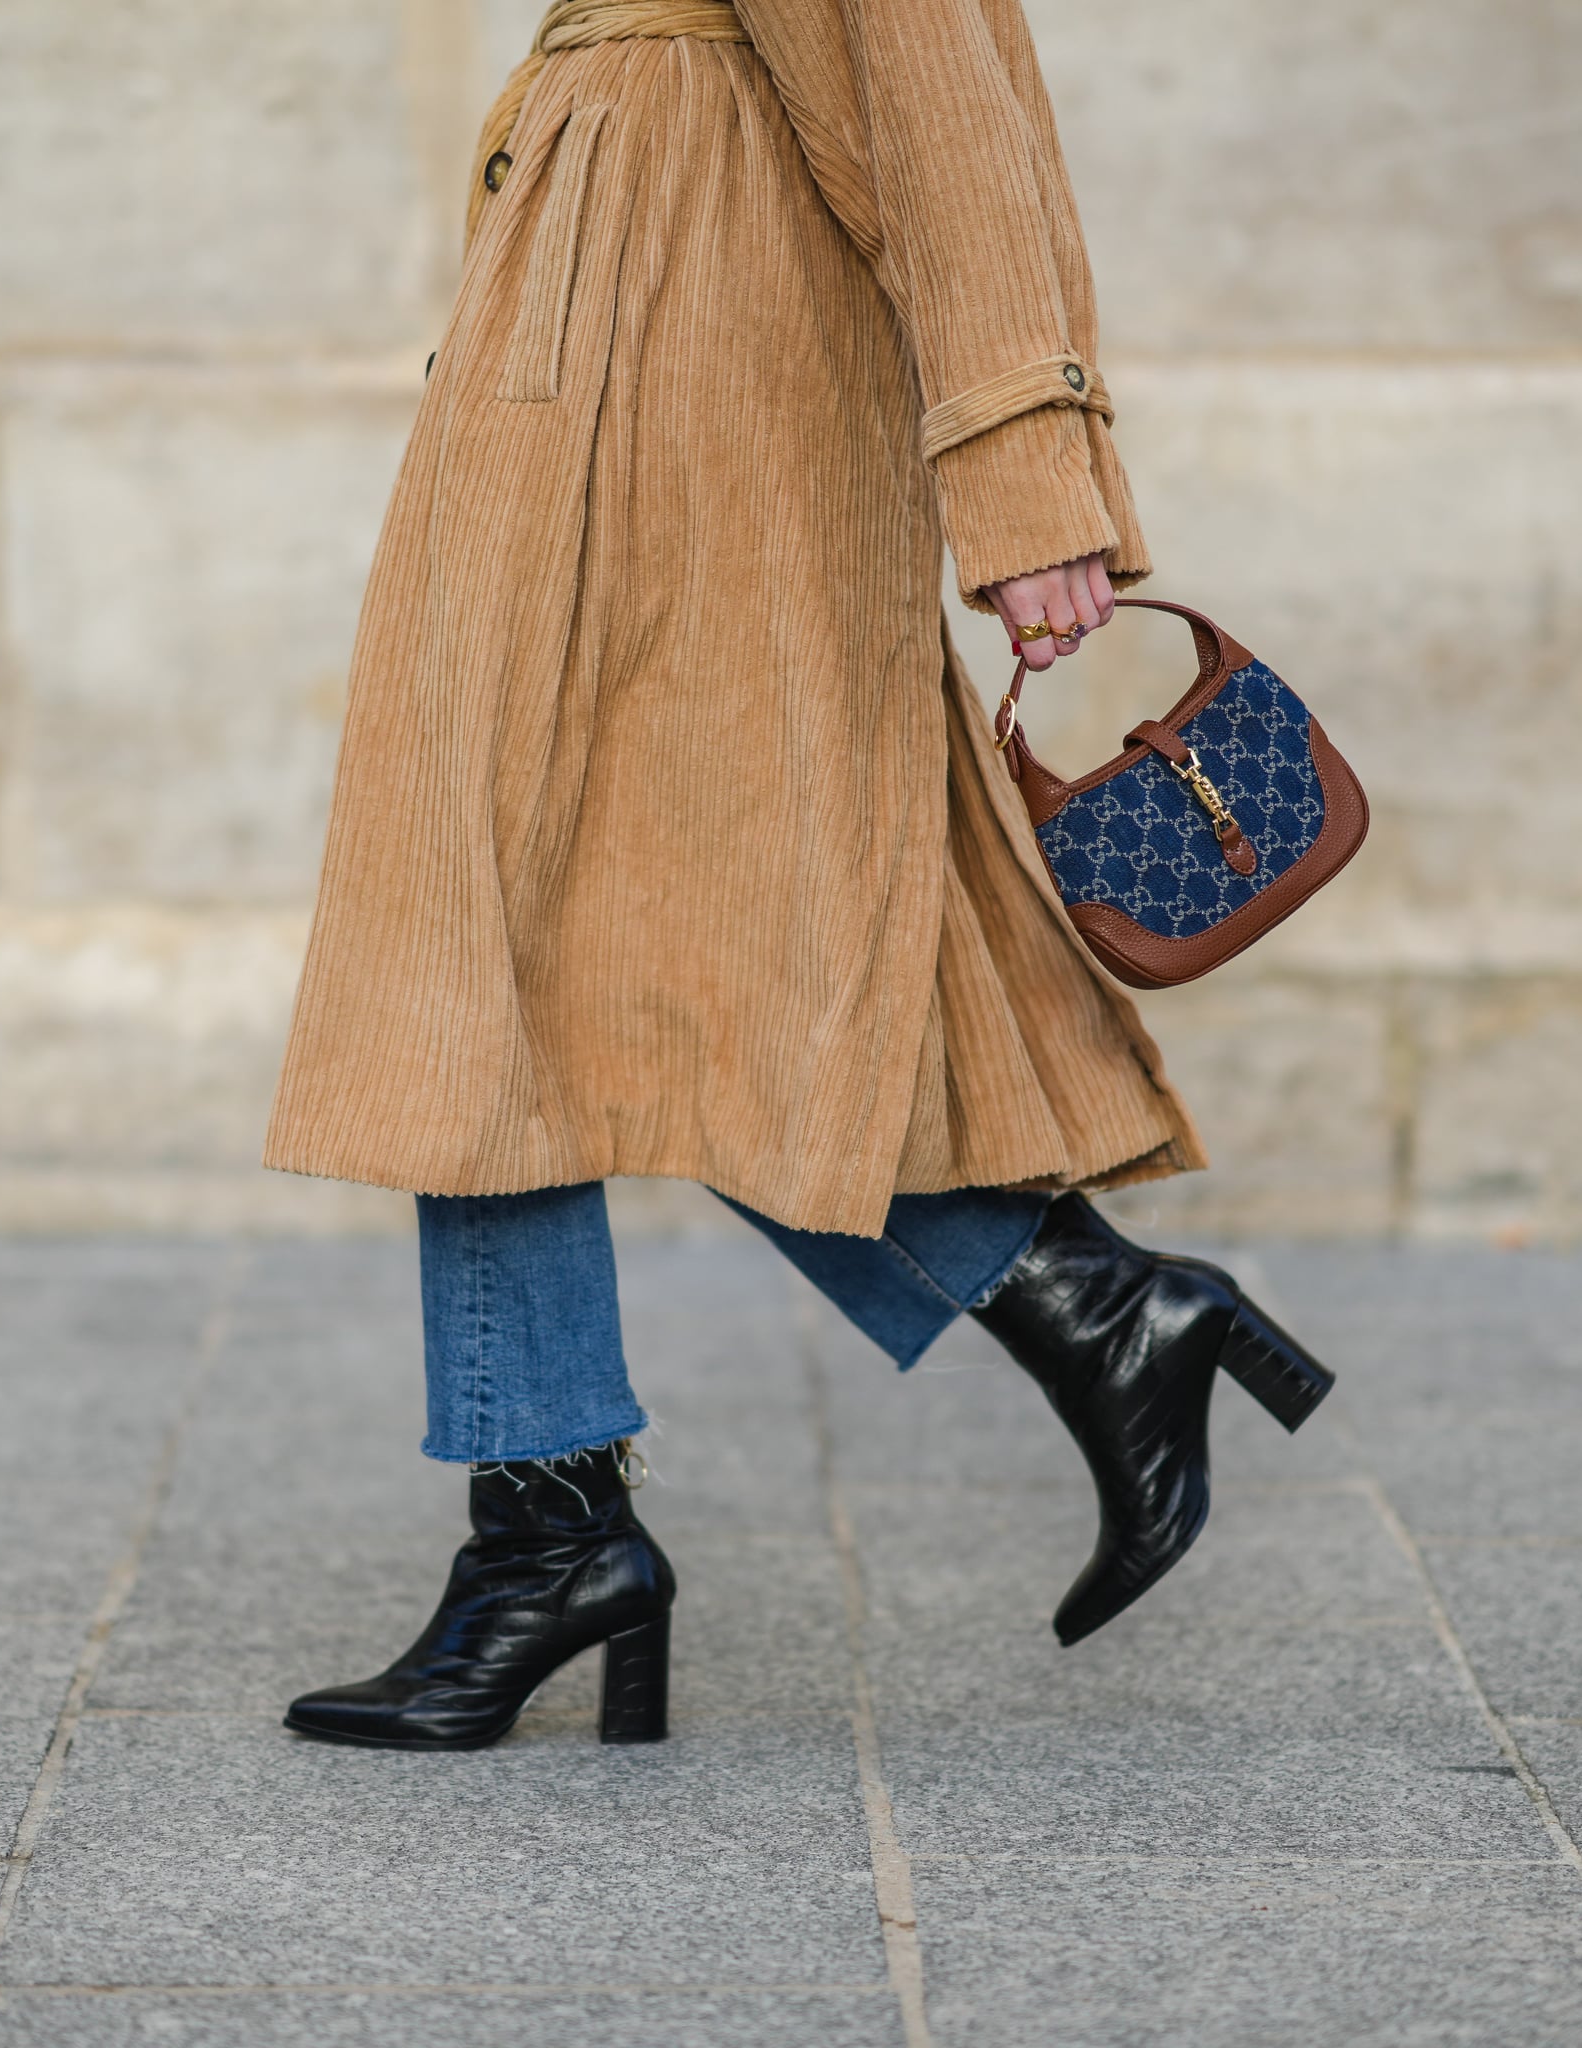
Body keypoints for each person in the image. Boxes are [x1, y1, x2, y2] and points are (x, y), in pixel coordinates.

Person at [266, 0, 1331, 1752]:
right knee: (537, 940)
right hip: (629, 304)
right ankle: (1070, 1316)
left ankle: (568, 1527)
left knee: (504, 931)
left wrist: (1025, 463)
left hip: (674, 327)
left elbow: (941, 80)